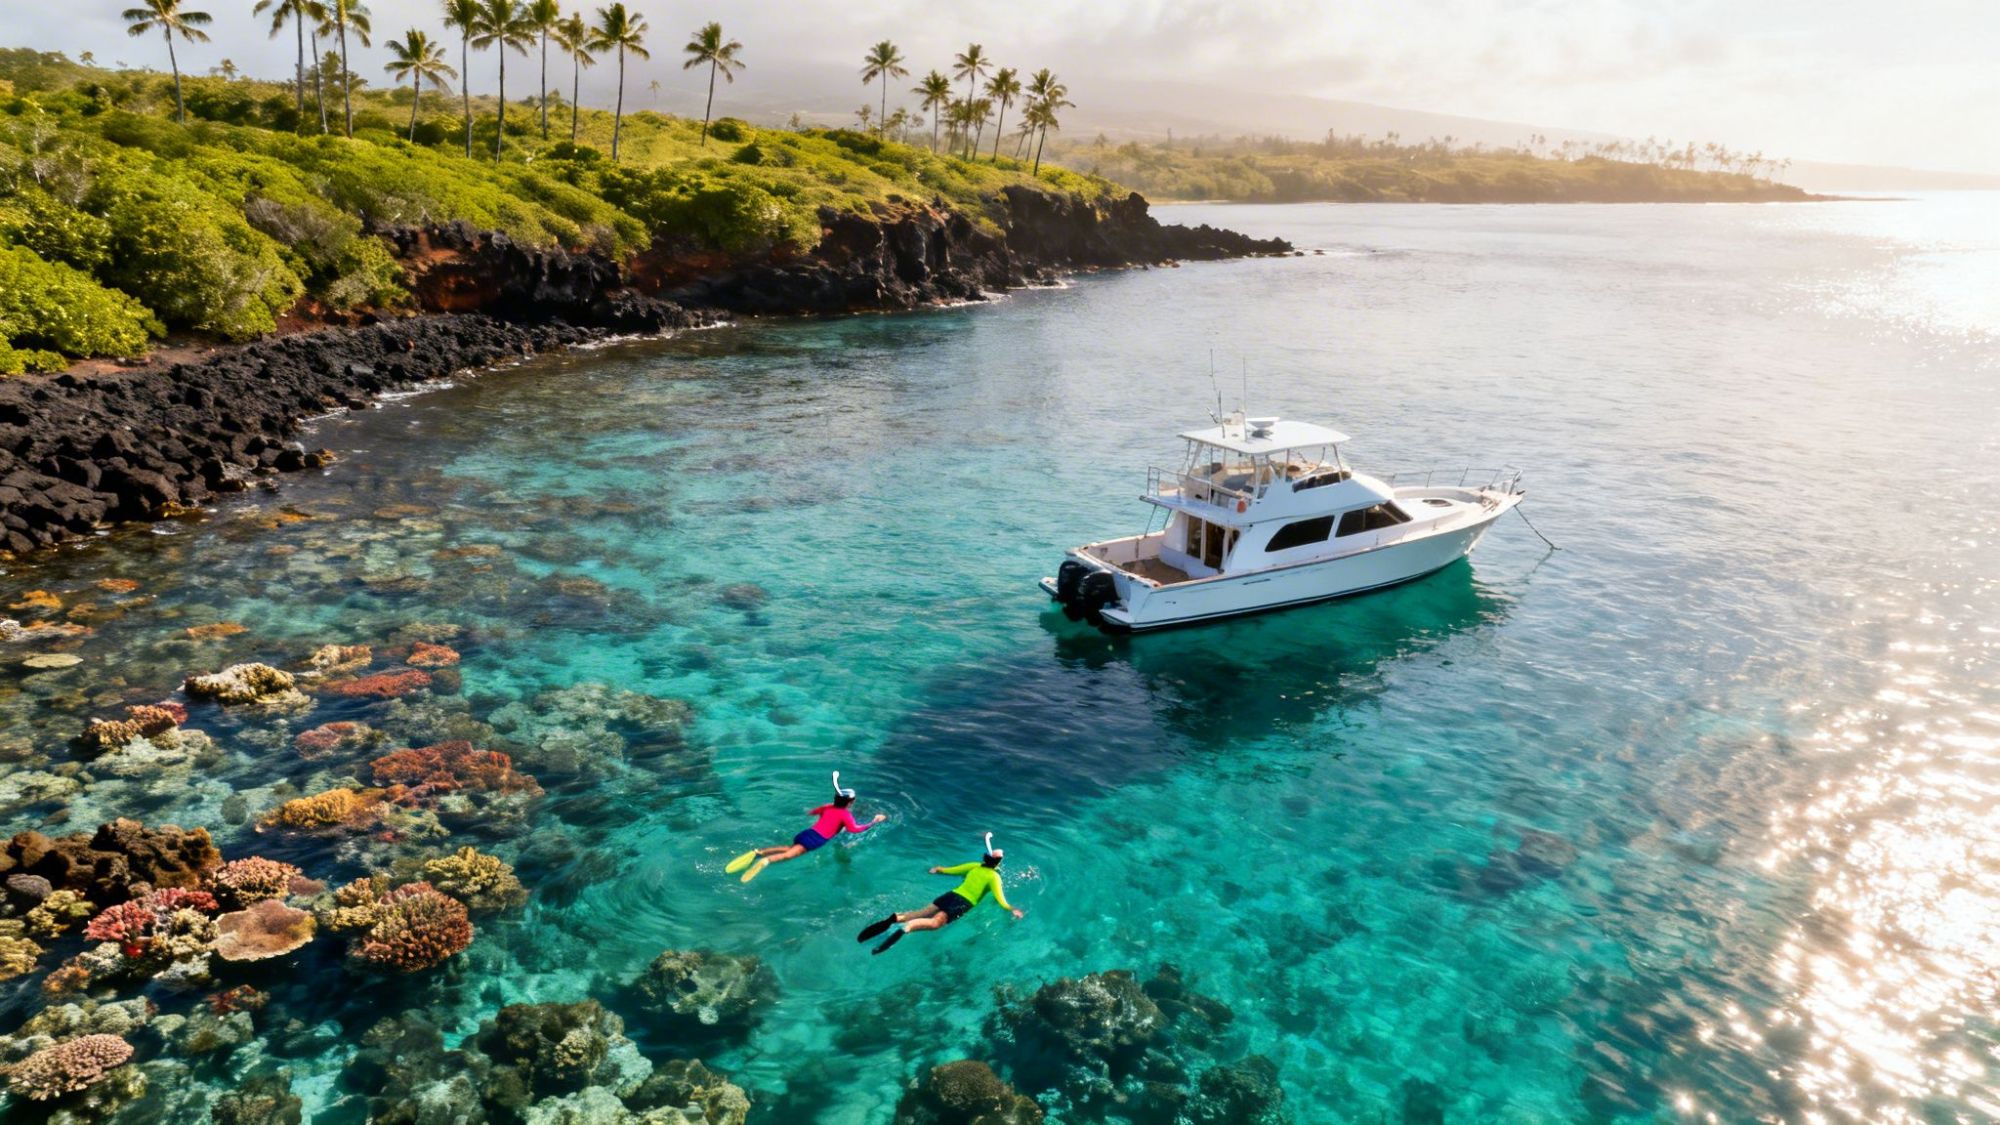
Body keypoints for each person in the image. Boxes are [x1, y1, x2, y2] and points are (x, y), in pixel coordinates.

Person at [857, 832, 1023, 954]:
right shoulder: (994, 877)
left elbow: (952, 870)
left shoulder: (974, 866)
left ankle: (896, 918)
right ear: (999, 863)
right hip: (963, 903)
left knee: (922, 912)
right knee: (935, 923)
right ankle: (907, 927)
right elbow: (1000, 898)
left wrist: (938, 869)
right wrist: (1011, 908)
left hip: (950, 895)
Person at [727, 771, 885, 883]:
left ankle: (759, 852)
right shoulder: (846, 815)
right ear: (850, 803)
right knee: (789, 855)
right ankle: (766, 860)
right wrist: (873, 822)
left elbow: (812, 812)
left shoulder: (828, 806)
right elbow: (854, 829)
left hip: (806, 833)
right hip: (816, 839)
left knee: (791, 847)